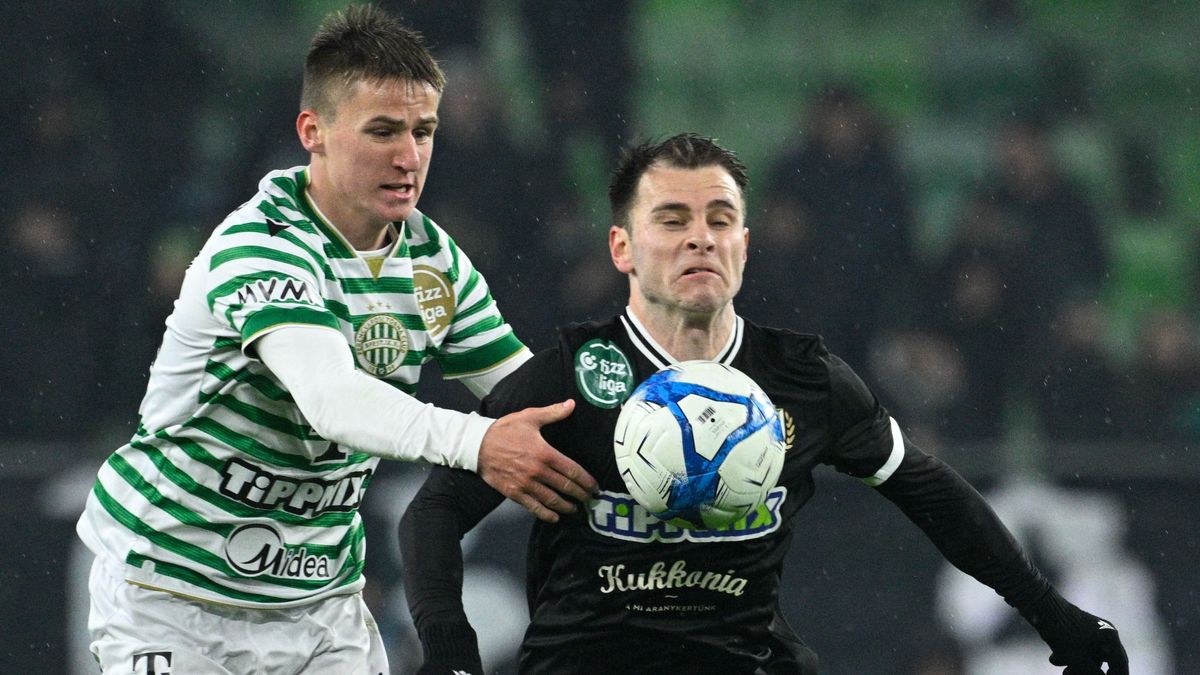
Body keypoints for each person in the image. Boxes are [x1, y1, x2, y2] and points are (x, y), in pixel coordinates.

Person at [399, 133, 1128, 674]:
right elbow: (434, 509)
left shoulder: (802, 377)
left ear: (744, 246)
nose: (700, 239)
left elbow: (928, 490)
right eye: (672, 220)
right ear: (622, 248)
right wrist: (448, 646)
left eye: (720, 219)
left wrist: (1054, 616)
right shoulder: (570, 374)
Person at [74, 6, 597, 673]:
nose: (409, 157)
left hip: (319, 607)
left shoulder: (433, 262)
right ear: (312, 132)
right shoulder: (262, 246)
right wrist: (479, 441)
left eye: (423, 131)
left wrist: (655, 436)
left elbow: (534, 399)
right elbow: (332, 399)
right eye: (382, 130)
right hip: (173, 590)